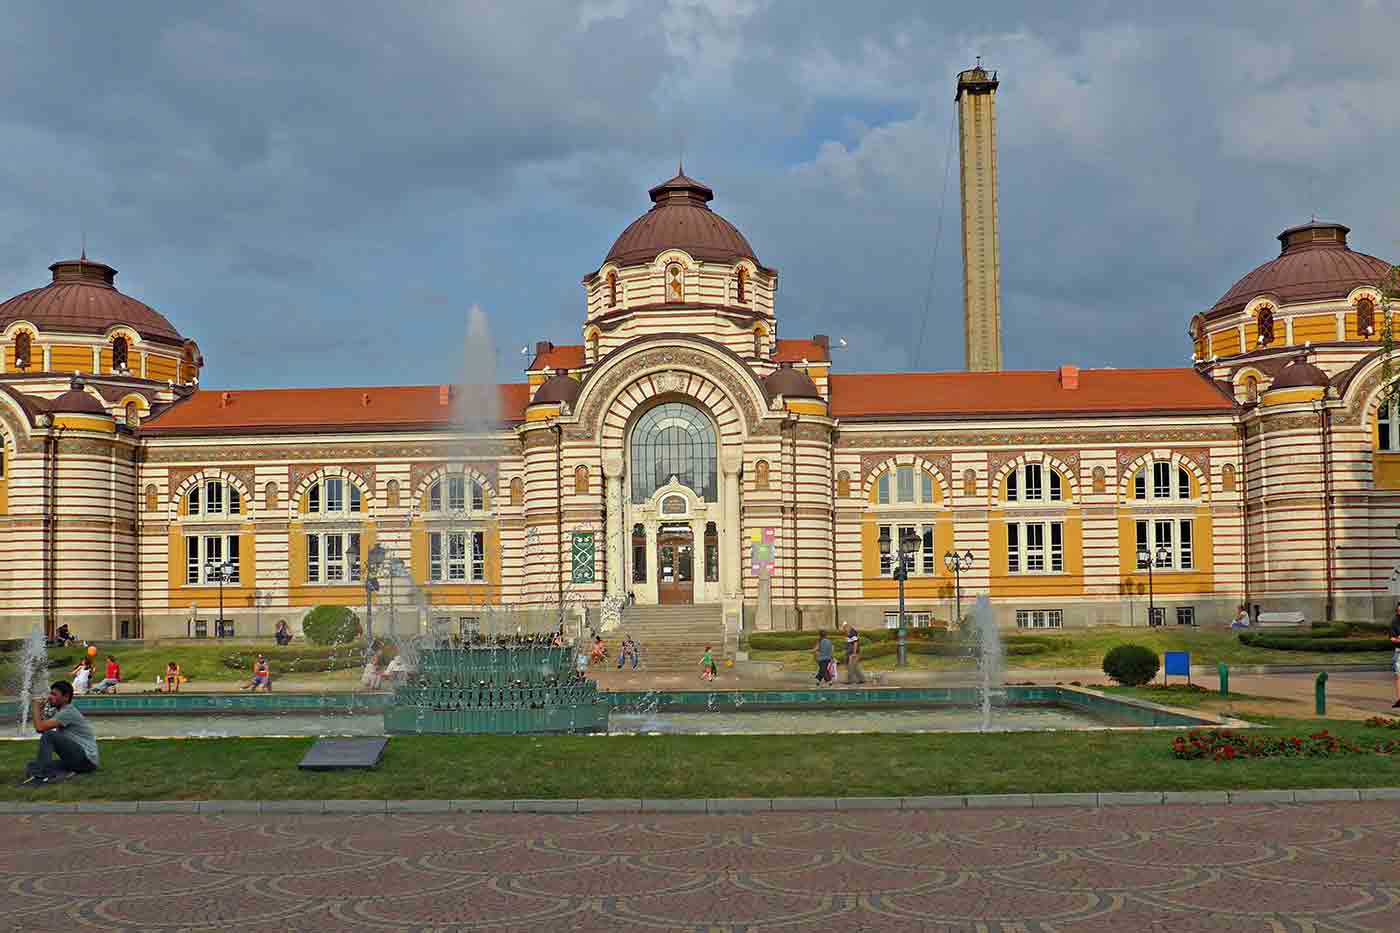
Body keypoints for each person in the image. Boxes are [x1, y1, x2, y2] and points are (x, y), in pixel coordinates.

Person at [21, 681, 99, 786]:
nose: (50, 697)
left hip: (86, 760)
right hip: (77, 760)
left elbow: (40, 728)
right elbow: (42, 725)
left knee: (49, 735)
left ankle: (41, 777)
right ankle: (65, 773)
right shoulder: (61, 712)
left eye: (54, 694)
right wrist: (40, 710)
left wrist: (36, 707)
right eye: (50, 693)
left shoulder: (68, 712)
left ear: (66, 697)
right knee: (32, 765)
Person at [1390, 603, 1400, 709]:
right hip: (1399, 652)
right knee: (1398, 676)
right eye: (1399, 611)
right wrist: (1398, 639)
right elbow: (1392, 638)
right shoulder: (1394, 622)